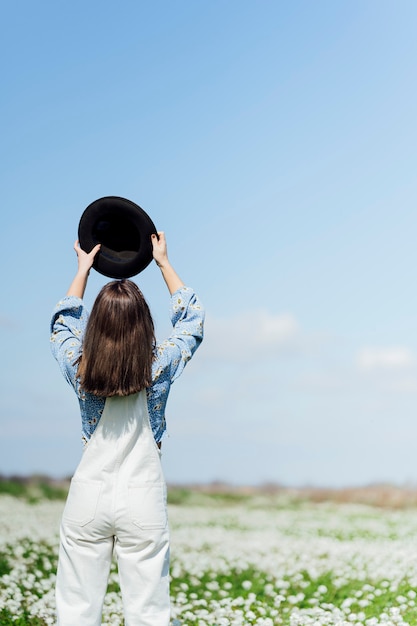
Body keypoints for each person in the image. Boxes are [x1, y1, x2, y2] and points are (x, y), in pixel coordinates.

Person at [50, 232, 204, 626]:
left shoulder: (78, 365)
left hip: (88, 495)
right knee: (148, 613)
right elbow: (192, 321)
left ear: (96, 326)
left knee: (76, 610)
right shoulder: (158, 366)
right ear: (144, 325)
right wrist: (163, 263)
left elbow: (62, 324)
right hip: (143, 497)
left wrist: (83, 270)